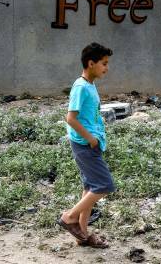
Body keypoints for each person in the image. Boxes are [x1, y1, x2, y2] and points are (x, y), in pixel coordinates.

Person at [57, 43, 115, 248]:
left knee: (90, 186)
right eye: (104, 63)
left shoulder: (90, 84)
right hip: (84, 144)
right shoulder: (81, 87)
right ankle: (69, 217)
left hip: (91, 144)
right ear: (91, 64)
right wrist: (91, 139)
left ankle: (82, 234)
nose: (107, 68)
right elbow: (70, 118)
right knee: (104, 185)